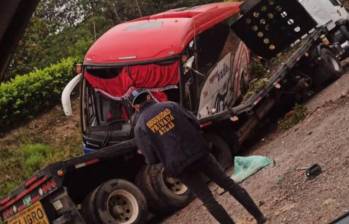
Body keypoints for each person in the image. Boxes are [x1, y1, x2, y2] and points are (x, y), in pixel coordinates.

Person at [130, 89, 266, 224]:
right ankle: (259, 217)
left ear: (135, 106)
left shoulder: (140, 127)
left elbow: (151, 159)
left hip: (179, 166)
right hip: (199, 153)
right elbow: (195, 123)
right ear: (148, 97)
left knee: (208, 199)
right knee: (229, 184)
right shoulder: (171, 105)